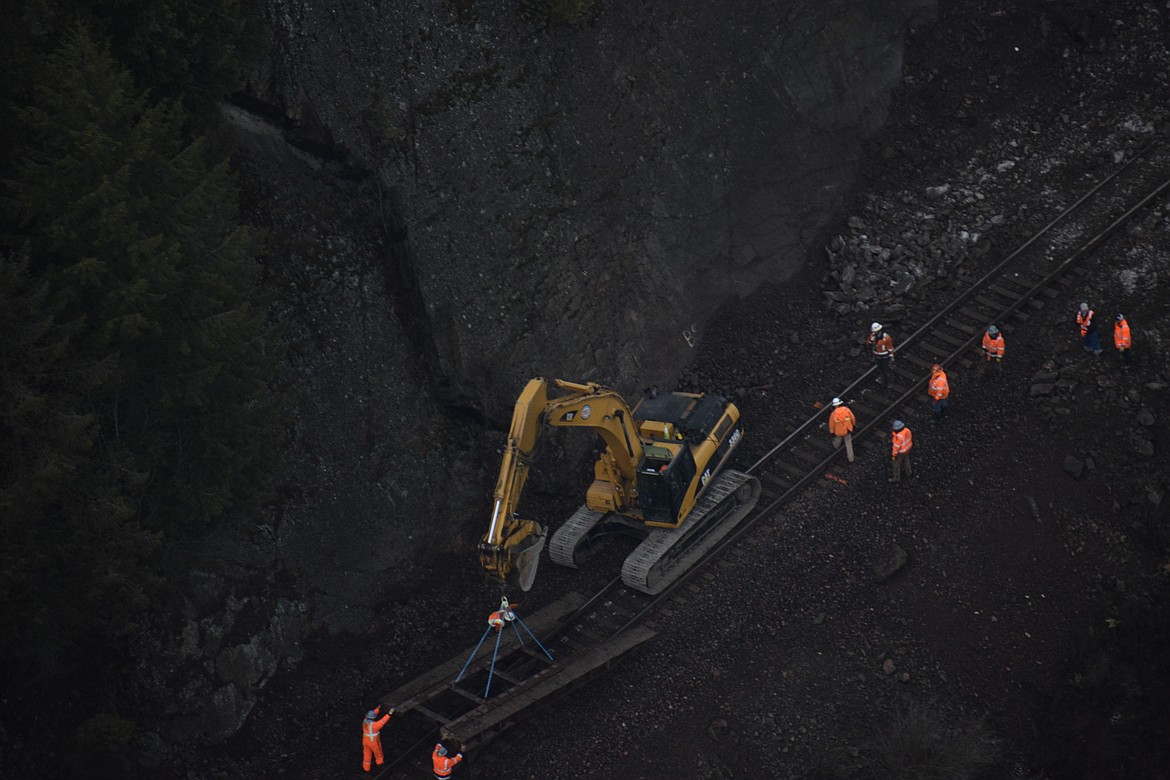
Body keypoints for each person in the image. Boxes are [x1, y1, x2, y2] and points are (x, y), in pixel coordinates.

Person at [362, 706, 395, 772]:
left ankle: (366, 767)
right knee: (378, 753)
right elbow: (382, 721)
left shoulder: (365, 721)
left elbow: (373, 713)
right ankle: (380, 764)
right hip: (373, 742)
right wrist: (389, 714)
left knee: (367, 753)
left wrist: (378, 708)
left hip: (365, 741)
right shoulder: (374, 725)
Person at [828, 397, 856, 463]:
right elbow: (853, 418)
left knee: (838, 438)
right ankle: (851, 459)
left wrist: (832, 432)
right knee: (848, 444)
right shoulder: (847, 410)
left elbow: (831, 424)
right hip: (847, 430)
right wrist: (853, 425)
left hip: (839, 431)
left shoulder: (833, 414)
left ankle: (835, 446)